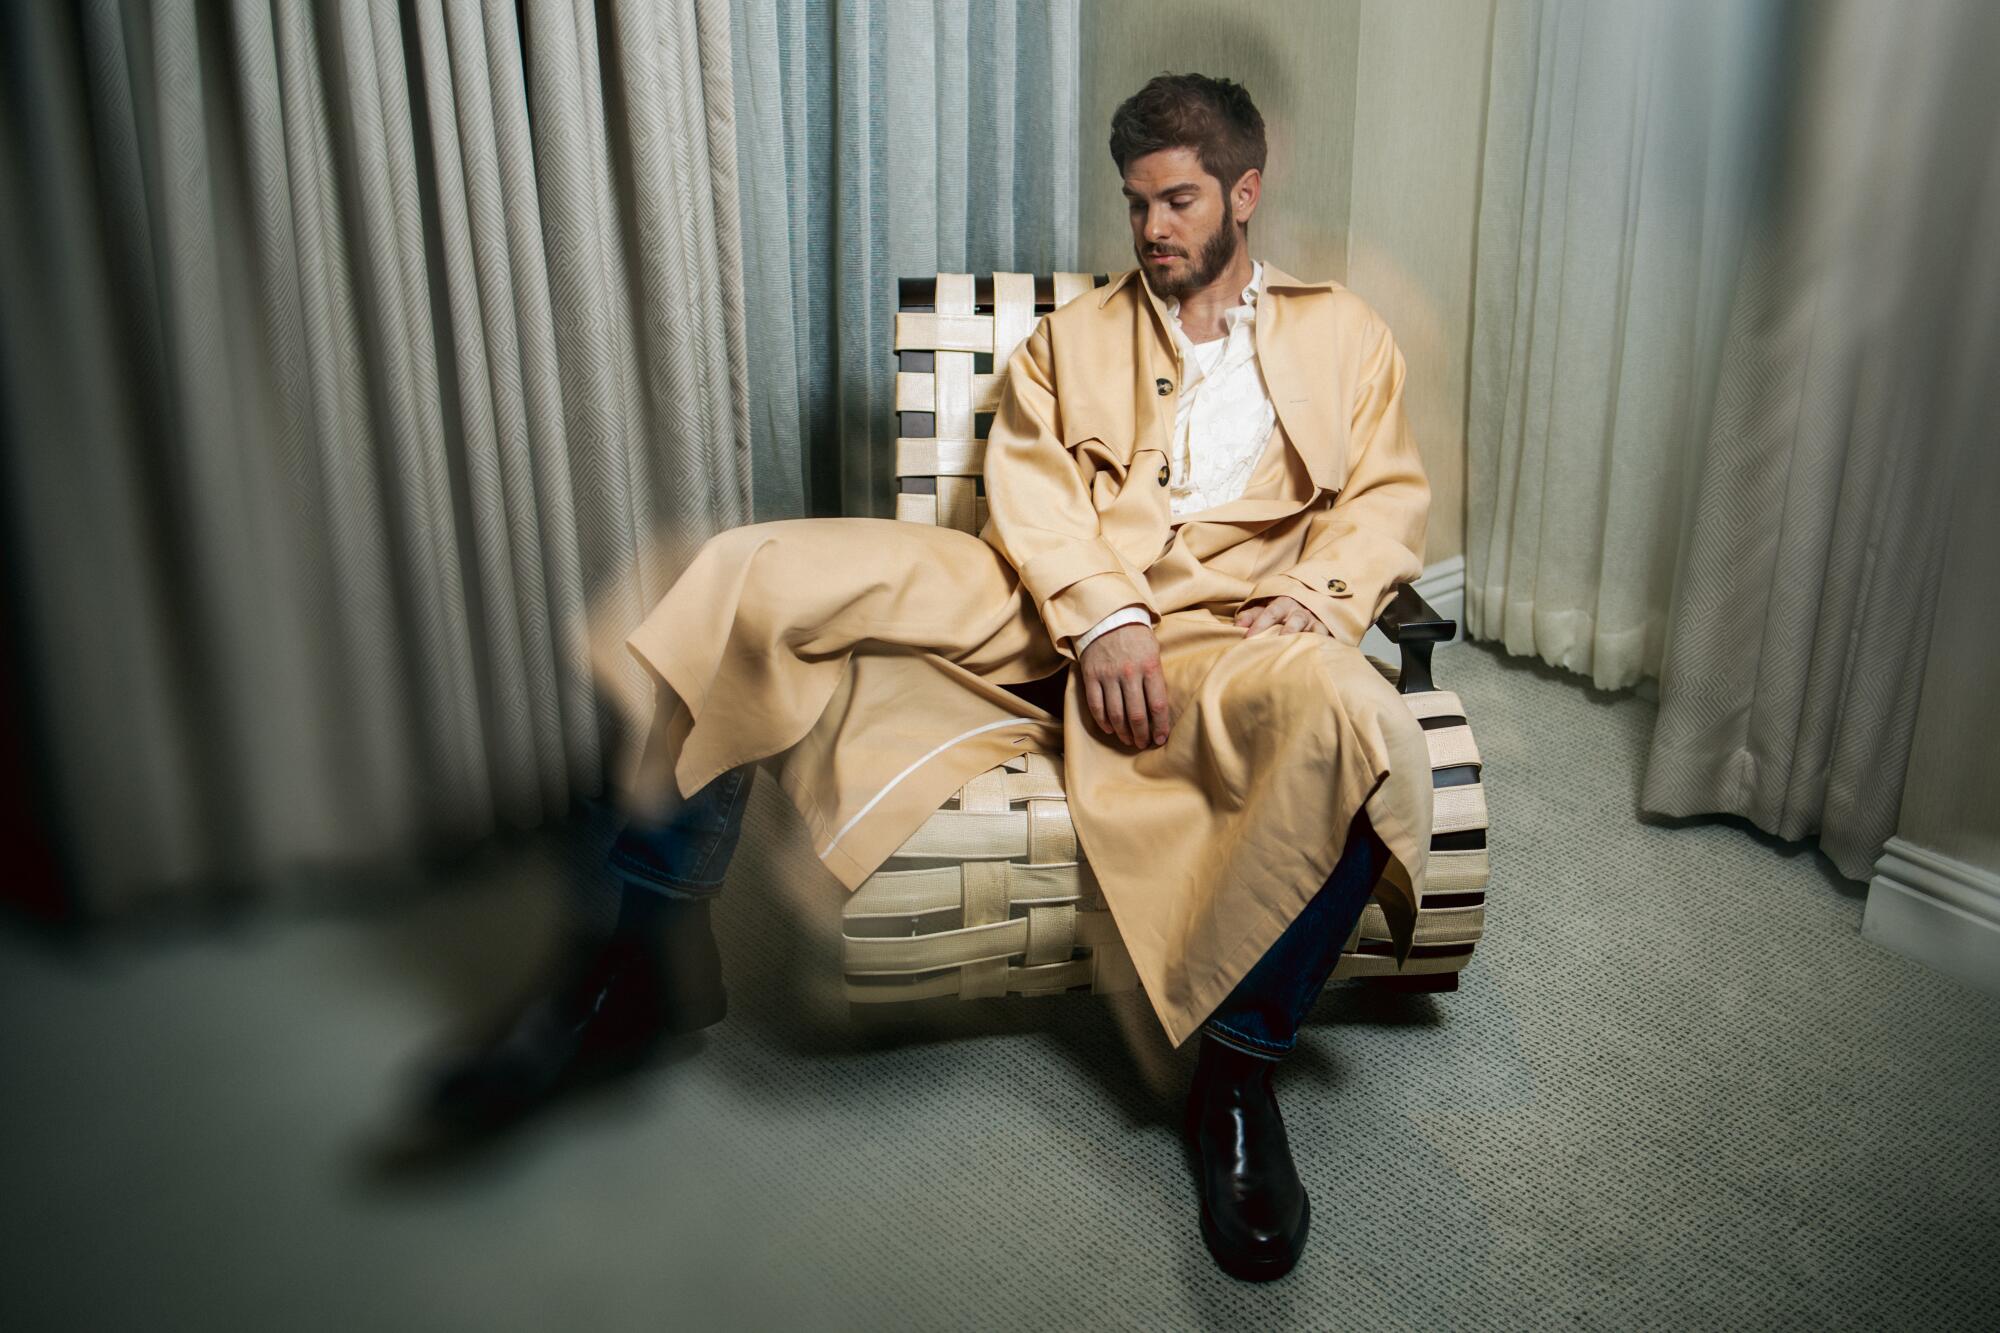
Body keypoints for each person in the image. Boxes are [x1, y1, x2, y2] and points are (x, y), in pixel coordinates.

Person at [414, 72, 1433, 1284]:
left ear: (1243, 193)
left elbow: (1379, 502)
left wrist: (1314, 602)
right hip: (1032, 594)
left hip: (1225, 634)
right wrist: (1099, 612)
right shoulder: (1071, 340)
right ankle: (629, 960)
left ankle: (1235, 1077)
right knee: (750, 572)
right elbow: (1035, 496)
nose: (1150, 228)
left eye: (1175, 201)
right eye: (1134, 203)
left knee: (1366, 728)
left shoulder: (1342, 335)